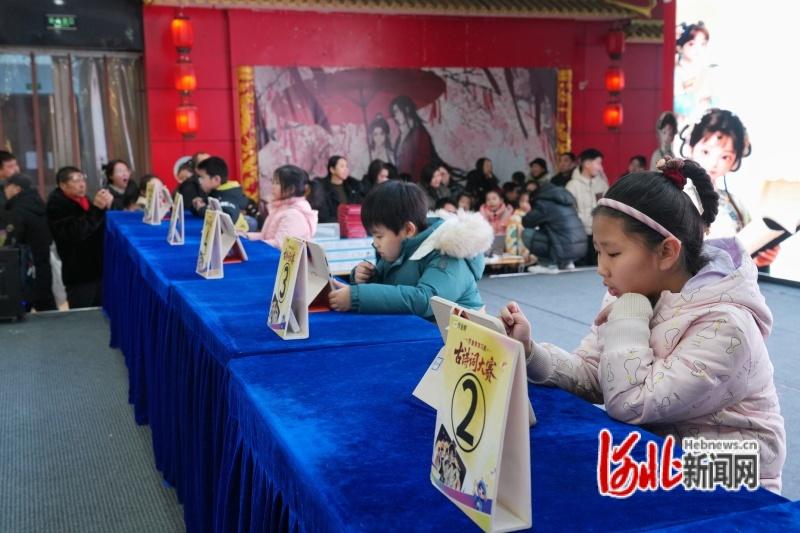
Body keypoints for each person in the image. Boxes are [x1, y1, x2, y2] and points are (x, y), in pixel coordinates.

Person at [500, 158, 785, 493]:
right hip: (662, 452)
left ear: (666, 252)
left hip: (734, 475)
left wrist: (629, 314)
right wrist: (530, 352)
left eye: (613, 254)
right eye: (598, 252)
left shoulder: (727, 325)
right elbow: (595, 372)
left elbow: (630, 402)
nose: (601, 268)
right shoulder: (632, 292)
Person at [327, 181, 493, 319]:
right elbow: (393, 288)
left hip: (466, 340)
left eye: (379, 236)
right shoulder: (401, 249)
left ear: (408, 230)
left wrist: (358, 296)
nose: (375, 243)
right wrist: (367, 278)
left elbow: (426, 301)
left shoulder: (448, 253)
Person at [681, 108, 777, 268]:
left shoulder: (736, 204)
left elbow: (749, 249)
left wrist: (760, 259)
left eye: (725, 156)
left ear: (735, 161)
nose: (713, 163)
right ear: (690, 147)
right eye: (706, 152)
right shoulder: (674, 194)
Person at [46, 166, 113, 308]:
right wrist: (97, 209)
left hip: (96, 269)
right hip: (79, 273)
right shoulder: (57, 205)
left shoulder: (83, 200)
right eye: (76, 181)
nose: (82, 184)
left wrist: (104, 207)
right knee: (83, 314)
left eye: (82, 179)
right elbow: (75, 232)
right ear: (63, 185)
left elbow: (95, 224)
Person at [2, 174, 56, 311]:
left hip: (25, 266)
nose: (5, 191)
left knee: (22, 306)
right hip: (43, 263)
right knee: (46, 305)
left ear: (17, 189)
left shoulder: (17, 210)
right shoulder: (39, 205)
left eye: (7, 187)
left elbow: (12, 241)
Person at [243, 165, 317, 249]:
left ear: (291, 189)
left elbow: (279, 245)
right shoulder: (281, 208)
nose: (273, 186)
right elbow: (265, 236)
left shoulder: (293, 214)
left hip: (278, 257)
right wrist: (245, 236)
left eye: (277, 183)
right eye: (273, 182)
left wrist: (248, 245)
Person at [521, 181, 587, 273]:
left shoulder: (544, 204)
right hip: (579, 248)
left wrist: (529, 211)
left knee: (526, 233)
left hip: (565, 247)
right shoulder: (565, 201)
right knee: (555, 233)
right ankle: (566, 263)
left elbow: (527, 222)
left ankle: (547, 264)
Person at [566, 148, 608, 266]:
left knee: (598, 267)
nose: (600, 167)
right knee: (582, 268)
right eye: (598, 163)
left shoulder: (602, 184)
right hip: (579, 235)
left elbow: (607, 208)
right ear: (587, 164)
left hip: (599, 234)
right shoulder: (572, 185)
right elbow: (570, 211)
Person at [190, 156, 249, 231]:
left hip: (237, 235)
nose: (199, 181)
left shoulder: (229, 196)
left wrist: (203, 209)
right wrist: (197, 206)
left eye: (202, 178)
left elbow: (226, 220)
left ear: (216, 179)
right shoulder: (216, 192)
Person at [390, 95, 439, 182]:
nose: (395, 116)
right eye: (393, 113)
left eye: (396, 111)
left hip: (417, 183)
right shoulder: (400, 138)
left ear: (407, 109)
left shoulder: (419, 133)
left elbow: (424, 162)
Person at [674, 22, 713, 127]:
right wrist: (698, 98)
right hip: (684, 123)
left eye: (702, 44)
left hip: (707, 122)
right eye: (692, 44)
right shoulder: (677, 72)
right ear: (679, 47)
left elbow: (714, 99)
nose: (698, 49)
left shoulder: (707, 70)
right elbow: (678, 105)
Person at [308, 155, 364, 223]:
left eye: (346, 166)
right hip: (331, 225)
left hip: (352, 225)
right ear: (332, 170)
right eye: (342, 166)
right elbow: (322, 215)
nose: (346, 169)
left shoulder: (353, 187)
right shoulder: (322, 188)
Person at [504, 190, 534, 265]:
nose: (524, 204)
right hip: (519, 255)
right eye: (522, 201)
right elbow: (510, 239)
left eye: (527, 202)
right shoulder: (514, 218)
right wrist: (513, 255)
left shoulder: (538, 217)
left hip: (534, 255)